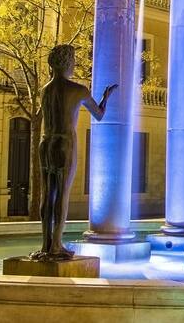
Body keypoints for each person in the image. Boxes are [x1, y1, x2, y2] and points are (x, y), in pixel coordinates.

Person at [32, 45, 116, 261]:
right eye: (73, 61)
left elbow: (44, 113)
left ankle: (45, 245)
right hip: (64, 144)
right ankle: (57, 245)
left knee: (46, 195)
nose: (74, 65)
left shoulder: (45, 90)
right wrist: (105, 97)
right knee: (62, 195)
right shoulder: (78, 90)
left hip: (46, 143)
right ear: (67, 63)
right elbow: (98, 115)